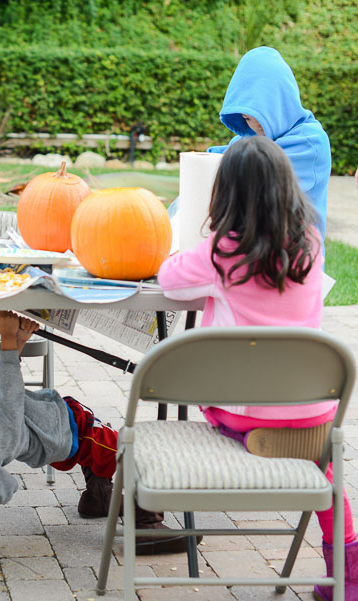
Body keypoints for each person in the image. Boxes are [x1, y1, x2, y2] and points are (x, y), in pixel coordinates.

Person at [158, 136, 354, 601]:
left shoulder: (223, 252)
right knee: (327, 473)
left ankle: (247, 434)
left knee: (219, 388)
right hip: (311, 415)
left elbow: (168, 278)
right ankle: (348, 578)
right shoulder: (311, 243)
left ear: (227, 194)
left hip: (243, 415)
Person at [0, 310, 199, 555]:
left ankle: (98, 497)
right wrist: (8, 341)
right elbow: (8, 399)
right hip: (72, 434)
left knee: (101, 449)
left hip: (55, 427)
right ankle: (146, 526)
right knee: (133, 451)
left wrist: (18, 342)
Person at [208, 46, 331, 242]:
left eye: (261, 115)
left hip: (297, 261)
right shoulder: (248, 140)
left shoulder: (310, 143)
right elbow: (214, 159)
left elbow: (258, 176)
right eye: (248, 118)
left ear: (280, 103)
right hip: (250, 253)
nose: (256, 126)